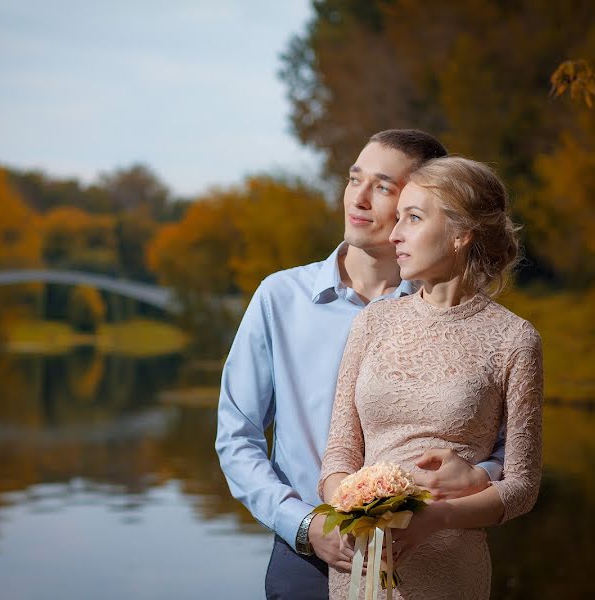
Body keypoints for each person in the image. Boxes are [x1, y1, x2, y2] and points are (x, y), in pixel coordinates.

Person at [215, 130, 507, 600]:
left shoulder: (468, 319)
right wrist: (304, 524)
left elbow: (509, 453)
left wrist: (478, 477)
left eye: (384, 187)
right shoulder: (280, 299)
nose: (360, 198)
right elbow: (236, 437)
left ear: (421, 202)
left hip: (429, 558)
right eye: (355, 180)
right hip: (305, 559)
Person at [319, 156, 543, 599]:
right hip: (360, 566)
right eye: (397, 217)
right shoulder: (373, 322)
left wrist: (438, 518)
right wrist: (344, 505)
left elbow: (522, 487)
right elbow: (340, 452)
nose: (395, 233)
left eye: (414, 218)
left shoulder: (515, 339)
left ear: (462, 234)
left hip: (450, 569)